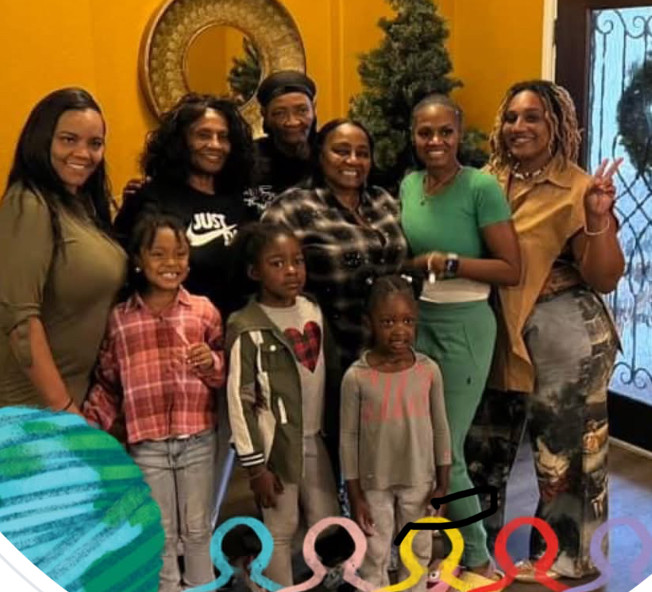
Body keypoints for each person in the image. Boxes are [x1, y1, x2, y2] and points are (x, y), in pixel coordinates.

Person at [466, 80, 624, 581]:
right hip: (494, 334)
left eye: (533, 117)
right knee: (481, 446)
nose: (519, 127)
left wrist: (597, 219)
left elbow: (604, 277)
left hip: (564, 335)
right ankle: (473, 551)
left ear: (557, 125)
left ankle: (565, 557)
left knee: (566, 454)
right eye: (512, 117)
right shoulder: (482, 181)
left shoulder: (580, 188)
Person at [400, 94, 521, 578]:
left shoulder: (481, 187)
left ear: (459, 134)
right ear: (413, 137)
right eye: (425, 132)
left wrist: (448, 262)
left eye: (445, 131)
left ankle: (477, 558)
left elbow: (511, 268)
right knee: (419, 442)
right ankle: (432, 545)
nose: (435, 141)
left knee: (444, 448)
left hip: (467, 325)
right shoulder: (409, 185)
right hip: (418, 322)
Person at [83, 212, 225, 592]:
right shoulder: (120, 320)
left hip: (197, 439)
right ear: (138, 260)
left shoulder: (204, 311)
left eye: (179, 253)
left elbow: (224, 372)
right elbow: (108, 383)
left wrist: (212, 362)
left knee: (198, 530)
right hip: (146, 445)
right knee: (159, 533)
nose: (170, 263)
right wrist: (87, 429)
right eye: (158, 254)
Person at [225, 222, 341, 586]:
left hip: (314, 437)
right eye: (277, 263)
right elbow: (239, 401)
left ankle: (256, 569)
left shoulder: (313, 311)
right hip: (276, 447)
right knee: (281, 524)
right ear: (254, 272)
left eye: (297, 261)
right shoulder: (247, 327)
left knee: (325, 518)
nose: (291, 271)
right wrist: (256, 468)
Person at [0, 88, 126, 413]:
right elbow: (20, 321)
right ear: (42, 140)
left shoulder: (81, 208)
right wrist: (65, 409)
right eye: (68, 139)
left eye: (95, 143)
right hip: (29, 409)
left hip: (75, 402)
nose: (83, 153)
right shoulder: (29, 202)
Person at [262, 118, 408, 369]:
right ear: (320, 155)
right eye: (341, 151)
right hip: (326, 355)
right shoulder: (292, 208)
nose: (353, 160)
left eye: (362, 153)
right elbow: (267, 283)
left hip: (391, 354)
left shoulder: (382, 200)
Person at [340, 275, 451, 592]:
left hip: (420, 481)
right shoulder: (356, 378)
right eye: (388, 322)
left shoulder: (428, 371)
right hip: (374, 484)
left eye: (407, 321)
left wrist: (443, 483)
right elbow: (348, 439)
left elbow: (441, 428)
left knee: (416, 552)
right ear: (369, 323)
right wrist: (355, 494)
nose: (399, 330)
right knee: (374, 554)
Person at [113, 93, 257, 317]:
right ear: (181, 142)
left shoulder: (242, 200)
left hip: (241, 327)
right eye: (203, 135)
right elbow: (127, 271)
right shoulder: (152, 197)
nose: (215, 145)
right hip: (179, 329)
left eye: (223, 137)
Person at [249, 70, 318, 208]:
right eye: (280, 113)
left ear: (314, 108)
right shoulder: (248, 159)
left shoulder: (329, 155)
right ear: (264, 114)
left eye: (302, 110)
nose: (292, 122)